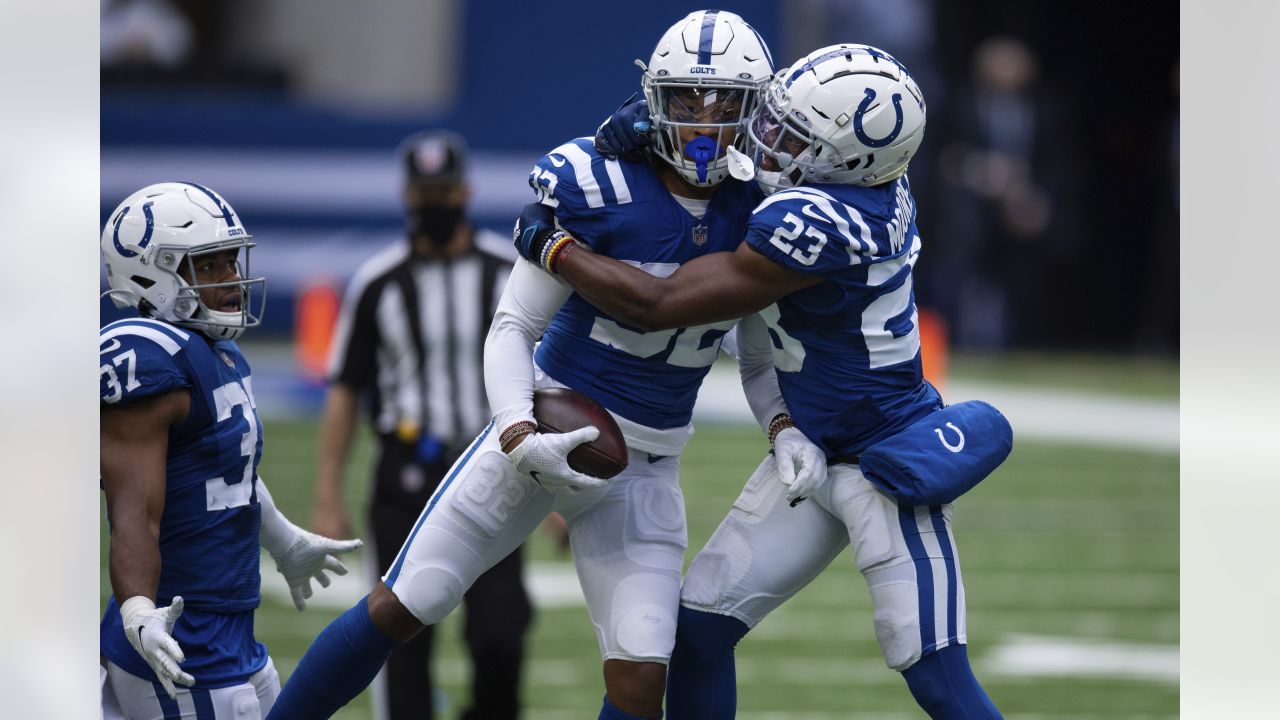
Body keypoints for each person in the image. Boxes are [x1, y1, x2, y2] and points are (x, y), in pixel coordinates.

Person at [264, 11, 822, 720]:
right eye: (687, 99)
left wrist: (783, 426)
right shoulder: (598, 181)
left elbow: (759, 354)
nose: (705, 123)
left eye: (726, 105)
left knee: (642, 675)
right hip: (545, 420)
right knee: (409, 602)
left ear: (755, 111)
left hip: (644, 465)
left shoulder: (765, 210)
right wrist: (518, 432)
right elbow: (512, 327)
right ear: (655, 99)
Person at [513, 45, 1005, 719]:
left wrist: (554, 246)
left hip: (884, 464)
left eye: (790, 136)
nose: (767, 140)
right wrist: (646, 123)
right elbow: (729, 149)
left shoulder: (831, 222)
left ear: (848, 161)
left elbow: (659, 302)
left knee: (936, 675)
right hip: (807, 451)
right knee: (697, 635)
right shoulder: (850, 177)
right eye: (775, 121)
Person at [99, 182, 362, 718]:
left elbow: (226, 470)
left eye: (230, 261)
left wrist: (284, 541)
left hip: (231, 633)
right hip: (179, 637)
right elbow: (134, 512)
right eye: (209, 265)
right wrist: (140, 611)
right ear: (151, 274)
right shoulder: (149, 358)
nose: (232, 279)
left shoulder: (215, 353)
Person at [312, 129, 531, 720]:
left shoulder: (508, 272)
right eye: (424, 192)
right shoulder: (379, 280)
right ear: (407, 196)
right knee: (400, 639)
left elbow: (544, 376)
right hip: (406, 470)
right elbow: (345, 390)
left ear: (465, 190)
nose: (435, 203)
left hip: (494, 469)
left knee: (500, 632)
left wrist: (554, 490)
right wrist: (328, 495)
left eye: (444, 190)